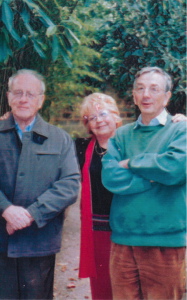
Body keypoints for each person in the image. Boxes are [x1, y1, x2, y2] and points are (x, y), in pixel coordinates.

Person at [0, 69, 80, 300]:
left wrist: (31, 214)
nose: (23, 99)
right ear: (8, 97)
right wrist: (5, 209)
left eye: (30, 94)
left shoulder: (59, 138)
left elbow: (69, 184)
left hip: (39, 241)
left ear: (41, 100)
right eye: (18, 93)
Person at [101, 66, 187, 300]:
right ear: (134, 94)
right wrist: (154, 176)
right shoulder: (121, 135)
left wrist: (131, 163)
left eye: (154, 89)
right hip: (123, 240)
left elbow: (175, 169)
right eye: (140, 88)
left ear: (167, 96)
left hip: (165, 242)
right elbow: (109, 177)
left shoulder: (181, 130)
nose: (146, 94)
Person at [76, 93, 122, 300]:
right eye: (91, 118)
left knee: (129, 286)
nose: (99, 120)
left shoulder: (131, 141)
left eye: (103, 113)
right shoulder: (81, 147)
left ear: (115, 116)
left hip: (128, 229)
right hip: (97, 230)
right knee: (102, 288)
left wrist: (179, 123)